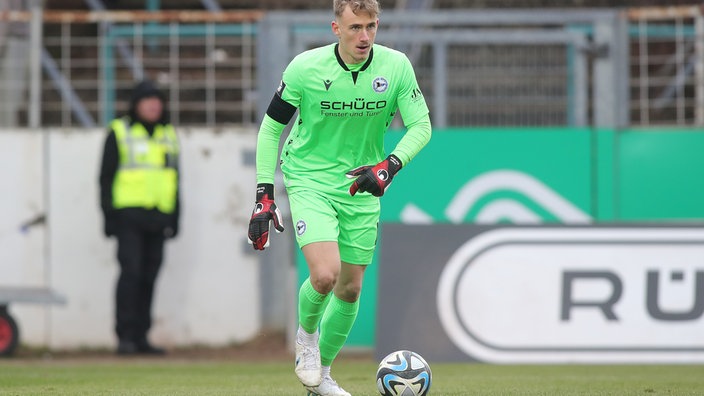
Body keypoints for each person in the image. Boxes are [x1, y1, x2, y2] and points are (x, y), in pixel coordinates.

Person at [247, 1, 431, 394]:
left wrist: (390, 165)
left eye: (371, 27)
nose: (364, 37)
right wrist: (264, 193)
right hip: (309, 178)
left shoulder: (396, 66)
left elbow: (421, 125)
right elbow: (270, 129)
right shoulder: (305, 68)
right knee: (325, 274)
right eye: (354, 28)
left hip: (361, 183)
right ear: (335, 28)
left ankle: (322, 378)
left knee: (350, 288)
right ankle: (306, 340)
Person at [99, 80, 180, 356]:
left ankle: (142, 337)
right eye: (148, 100)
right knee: (130, 275)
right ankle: (126, 337)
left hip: (159, 216)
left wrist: (175, 217)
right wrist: (108, 216)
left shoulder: (168, 134)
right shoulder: (119, 131)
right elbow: (105, 176)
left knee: (149, 277)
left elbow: (174, 177)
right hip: (128, 216)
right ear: (136, 104)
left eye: (157, 100)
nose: (154, 105)